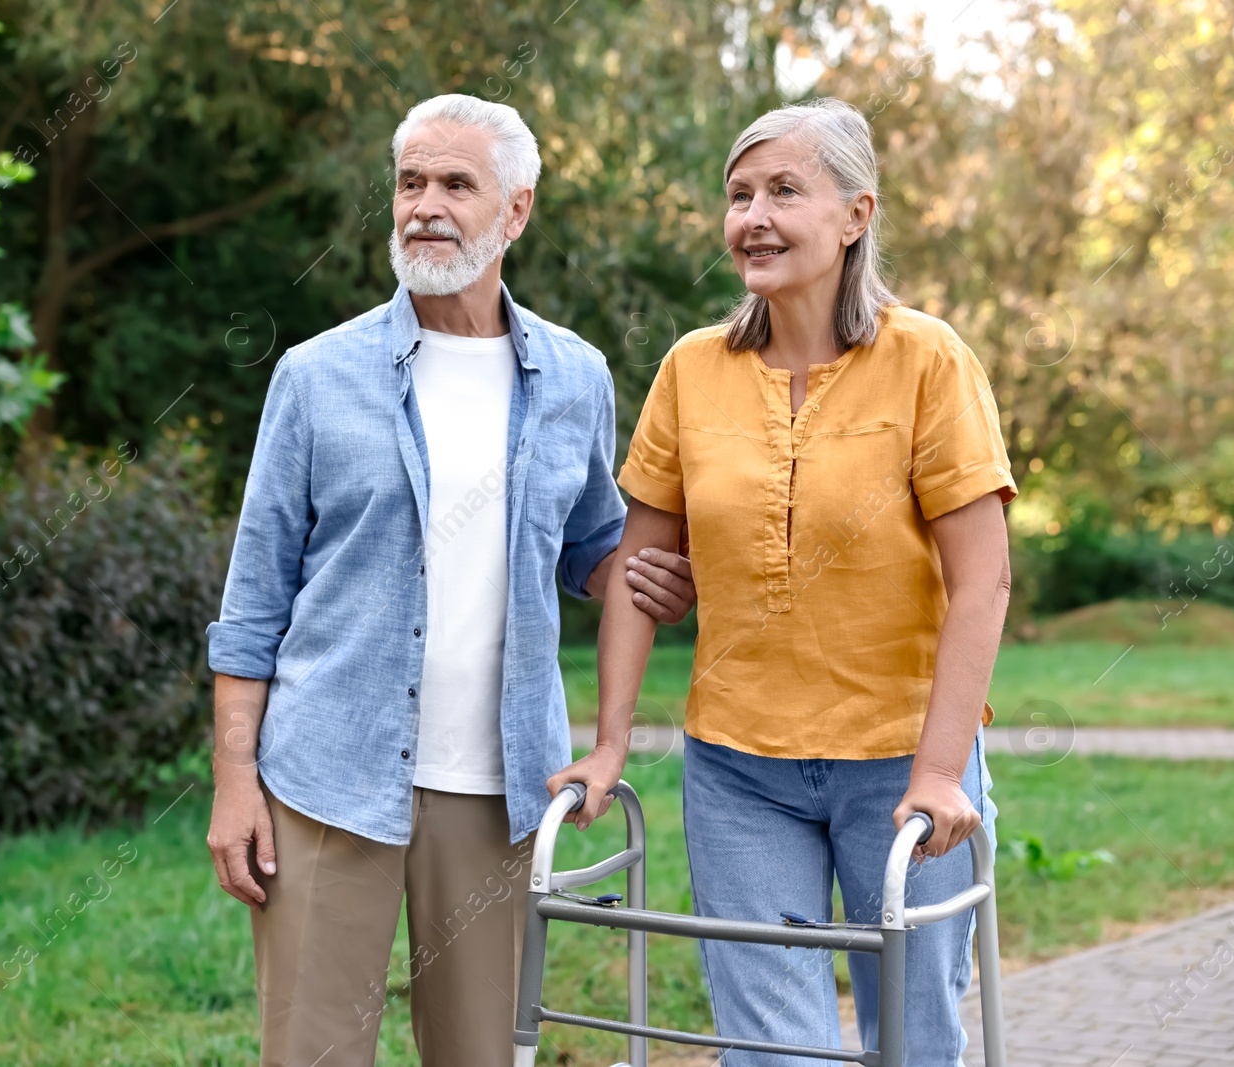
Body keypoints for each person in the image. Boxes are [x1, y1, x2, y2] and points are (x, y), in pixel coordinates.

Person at [204, 93, 696, 1067]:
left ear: (514, 210)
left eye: (455, 184)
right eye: (409, 182)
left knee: (481, 1053)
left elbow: (595, 546)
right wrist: (232, 780)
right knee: (312, 1053)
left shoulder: (575, 377)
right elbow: (252, 598)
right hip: (327, 780)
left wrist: (666, 569)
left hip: (497, 787)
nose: (424, 204)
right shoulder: (315, 376)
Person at [550, 98, 1017, 1065]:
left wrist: (939, 768)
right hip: (739, 768)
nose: (752, 217)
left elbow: (985, 584)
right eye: (738, 196)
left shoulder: (928, 359)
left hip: (902, 763)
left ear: (855, 214)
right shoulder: (691, 370)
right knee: (772, 1052)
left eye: (783, 192)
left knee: (914, 1041)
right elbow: (640, 576)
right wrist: (606, 745)